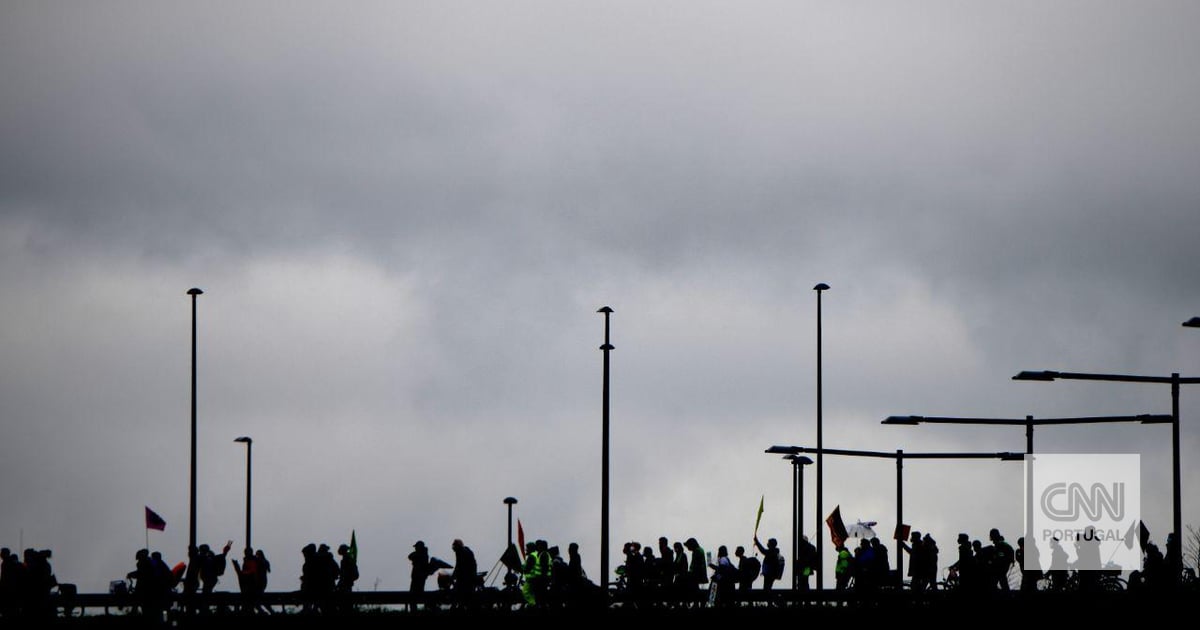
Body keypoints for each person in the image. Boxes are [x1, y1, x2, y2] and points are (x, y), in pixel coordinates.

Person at [451, 539, 477, 607]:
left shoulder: (463, 552)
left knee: (460, 593)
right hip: (465, 576)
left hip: (467, 577)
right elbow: (458, 565)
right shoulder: (460, 552)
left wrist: (454, 576)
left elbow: (459, 566)